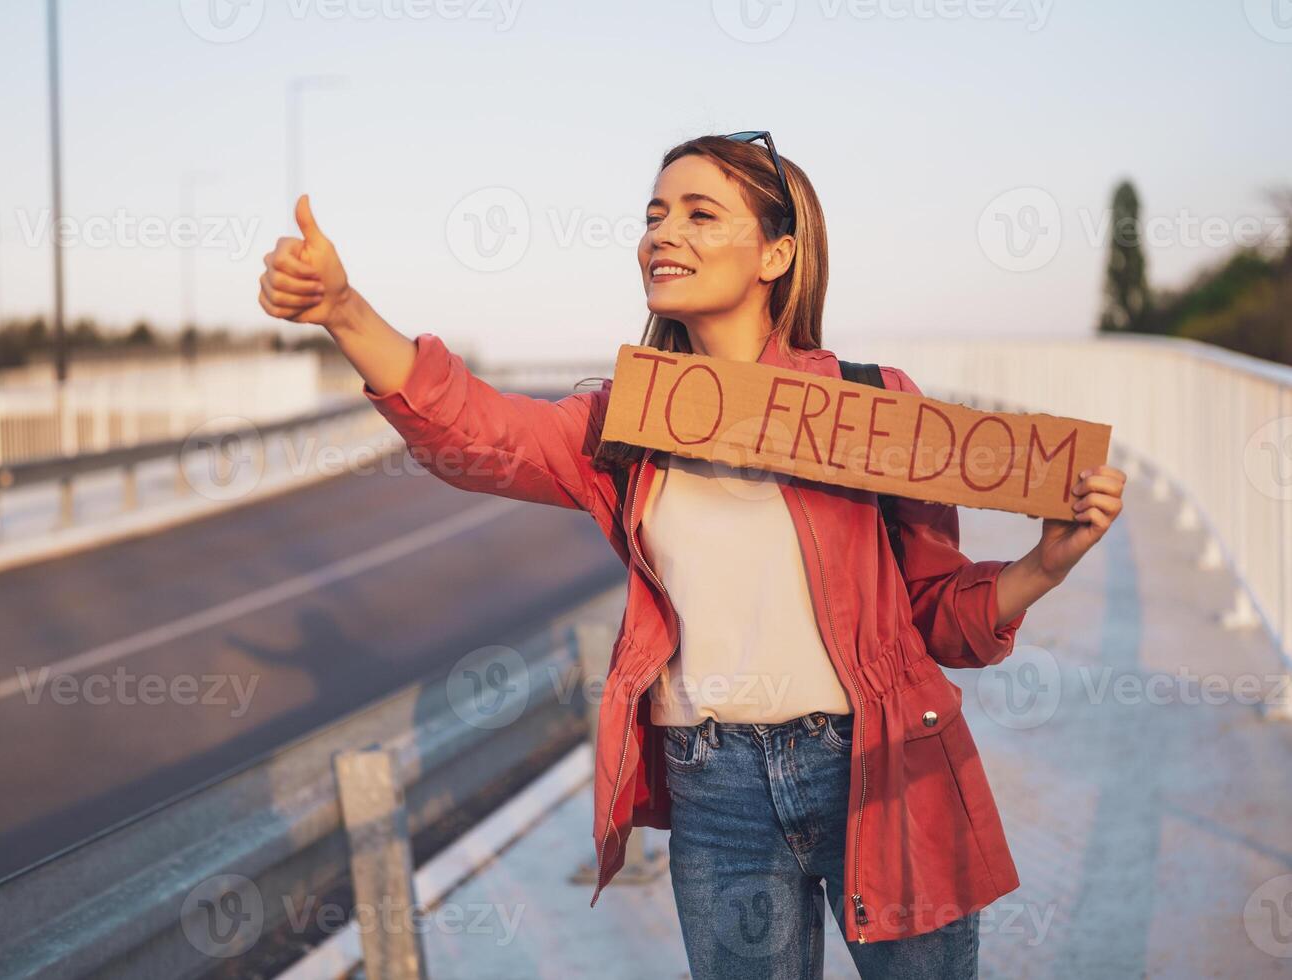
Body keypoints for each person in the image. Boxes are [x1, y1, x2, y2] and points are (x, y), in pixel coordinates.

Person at [257, 132, 1126, 979]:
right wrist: (343, 309)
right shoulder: (628, 423)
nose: (663, 234)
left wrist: (1043, 567)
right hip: (716, 787)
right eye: (655, 213)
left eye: (701, 214)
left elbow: (940, 616)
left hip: (880, 765)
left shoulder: (874, 407)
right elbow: (478, 432)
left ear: (777, 254)